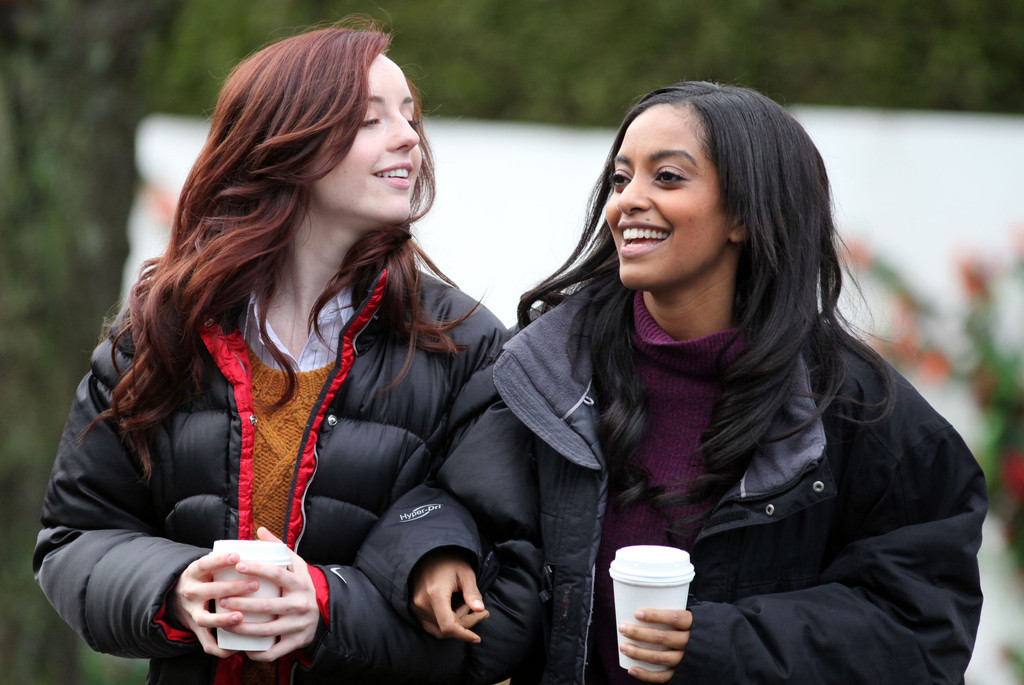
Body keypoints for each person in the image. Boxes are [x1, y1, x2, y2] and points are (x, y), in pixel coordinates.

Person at [362, 81, 987, 684]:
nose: (627, 200)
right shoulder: (551, 371)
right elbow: (455, 495)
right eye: (620, 177)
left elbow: (921, 627)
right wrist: (436, 548)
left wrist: (715, 643)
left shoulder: (861, 412)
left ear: (744, 213)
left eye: (667, 176)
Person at [32, 23, 528, 685]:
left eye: (409, 116)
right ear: (284, 142)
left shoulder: (466, 345)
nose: (410, 136)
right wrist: (179, 588)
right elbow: (73, 539)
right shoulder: (160, 329)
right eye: (369, 119)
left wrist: (327, 607)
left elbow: (514, 602)